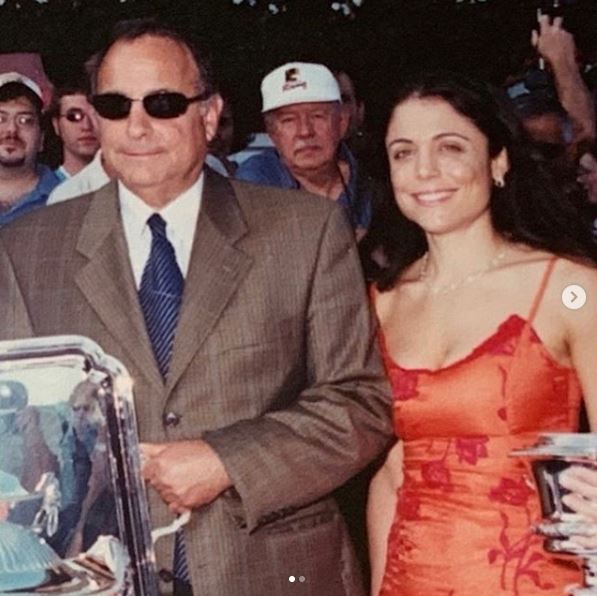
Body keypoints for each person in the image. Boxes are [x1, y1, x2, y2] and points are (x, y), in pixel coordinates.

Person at [0, 18, 392, 596]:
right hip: (100, 577)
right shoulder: (29, 246)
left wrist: (227, 462)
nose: (136, 126)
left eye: (162, 104)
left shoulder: (303, 232)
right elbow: (17, 423)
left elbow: (360, 402)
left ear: (208, 116)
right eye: (114, 104)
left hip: (270, 570)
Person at [364, 70, 597, 595]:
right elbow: (393, 472)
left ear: (497, 161)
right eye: (403, 153)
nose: (424, 171)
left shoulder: (569, 288)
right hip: (411, 578)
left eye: (450, 148)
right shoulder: (379, 304)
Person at [235, 61, 378, 239]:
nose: (305, 131)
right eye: (289, 120)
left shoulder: (371, 183)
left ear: (341, 123)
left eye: (318, 116)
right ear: (272, 133)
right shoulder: (255, 179)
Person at [0, 72, 60, 226]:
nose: (11, 130)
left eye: (25, 121)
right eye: (1, 119)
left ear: (41, 139)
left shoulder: (68, 196)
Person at [50, 87, 100, 180]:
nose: (86, 126)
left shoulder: (127, 187)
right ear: (56, 125)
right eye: (73, 116)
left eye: (96, 115)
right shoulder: (45, 191)